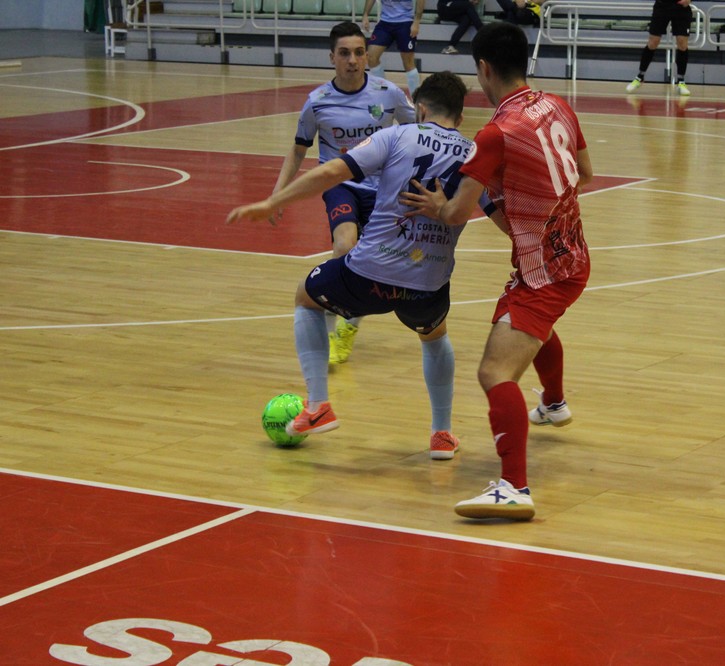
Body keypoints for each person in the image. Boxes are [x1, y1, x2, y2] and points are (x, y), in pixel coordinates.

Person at [400, 22, 592, 521]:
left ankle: (514, 487)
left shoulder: (495, 134)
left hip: (545, 269)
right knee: (520, 323)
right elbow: (585, 174)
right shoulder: (558, 106)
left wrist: (437, 204)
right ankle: (553, 403)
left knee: (494, 371)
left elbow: (456, 213)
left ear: (483, 68)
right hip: (570, 252)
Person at [228, 72, 474, 461]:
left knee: (307, 298)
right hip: (427, 283)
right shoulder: (476, 153)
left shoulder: (397, 136)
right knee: (435, 337)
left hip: (370, 273)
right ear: (461, 118)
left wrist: (273, 203)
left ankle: (319, 405)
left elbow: (330, 172)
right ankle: (441, 434)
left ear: (420, 109)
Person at [272, 21, 416, 365]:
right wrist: (277, 194)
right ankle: (329, 318)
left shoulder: (389, 93)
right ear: (332, 58)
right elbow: (298, 150)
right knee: (344, 246)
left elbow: (418, 132)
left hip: (383, 189)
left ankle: (349, 327)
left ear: (367, 56)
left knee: (374, 262)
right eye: (345, 53)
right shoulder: (317, 102)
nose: (353, 60)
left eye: (359, 52)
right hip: (340, 185)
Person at [625, 0, 693, 96]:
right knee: (653, 42)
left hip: (681, 8)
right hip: (662, 6)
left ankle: (681, 81)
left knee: (682, 43)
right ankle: (640, 77)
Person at [362, 0, 424, 96]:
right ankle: (383, 92)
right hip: (385, 23)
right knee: (371, 57)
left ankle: (416, 98)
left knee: (408, 63)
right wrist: (365, 15)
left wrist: (416, 22)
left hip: (405, 22)